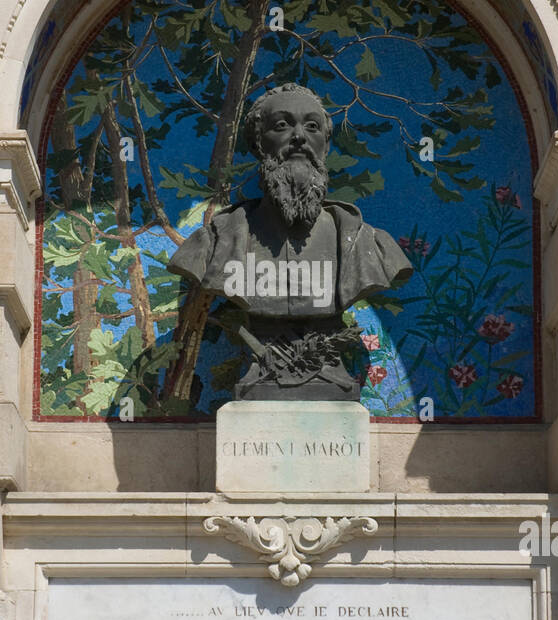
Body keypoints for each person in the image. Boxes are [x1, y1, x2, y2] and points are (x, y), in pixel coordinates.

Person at [168, 83, 411, 399]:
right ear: (259, 143)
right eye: (282, 125)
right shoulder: (216, 242)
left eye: (312, 127)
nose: (299, 137)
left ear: (325, 145)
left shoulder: (366, 245)